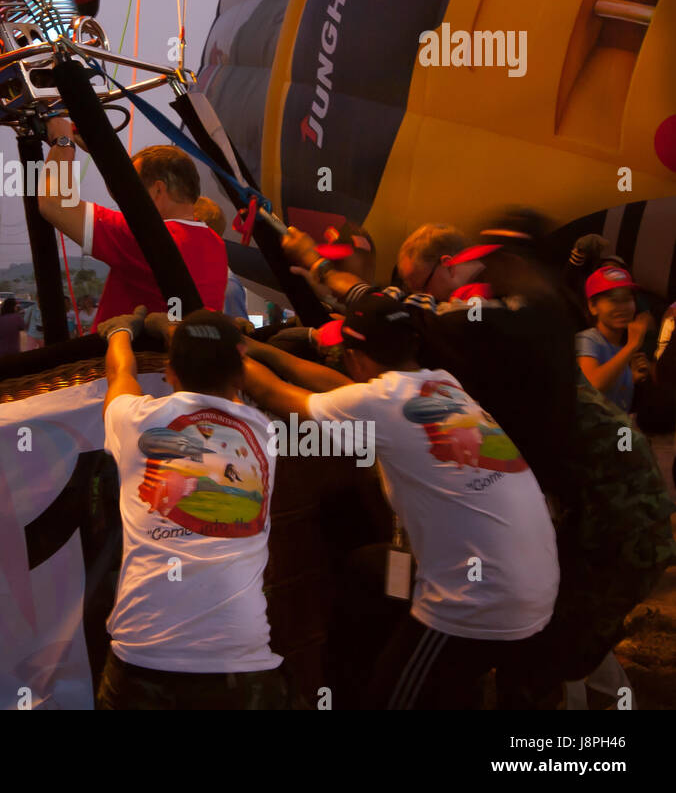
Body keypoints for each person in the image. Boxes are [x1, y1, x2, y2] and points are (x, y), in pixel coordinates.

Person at [243, 292, 559, 709]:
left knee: (392, 699)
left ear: (354, 357)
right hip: (536, 584)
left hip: (477, 602)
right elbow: (345, 391)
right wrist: (261, 349)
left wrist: (228, 354)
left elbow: (276, 395)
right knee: (369, 570)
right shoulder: (441, 385)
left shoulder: (376, 403)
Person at [97, 306, 291, 709]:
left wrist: (121, 332)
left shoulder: (135, 420)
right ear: (239, 371)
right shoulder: (263, 431)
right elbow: (258, 382)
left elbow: (121, 376)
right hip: (242, 659)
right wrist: (174, 330)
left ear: (169, 371)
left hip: (144, 655)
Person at [38, 117, 227, 322]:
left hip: (129, 351)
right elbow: (128, 197)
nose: (129, 193)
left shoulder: (148, 237)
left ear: (158, 189)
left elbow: (54, 202)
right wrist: (100, 152)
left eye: (136, 186)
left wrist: (63, 141)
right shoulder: (214, 242)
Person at [575, 265, 650, 414]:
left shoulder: (622, 348)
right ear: (593, 306)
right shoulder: (587, 339)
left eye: (627, 299)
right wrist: (632, 346)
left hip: (616, 432)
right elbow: (593, 385)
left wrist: (632, 379)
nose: (622, 307)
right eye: (613, 300)